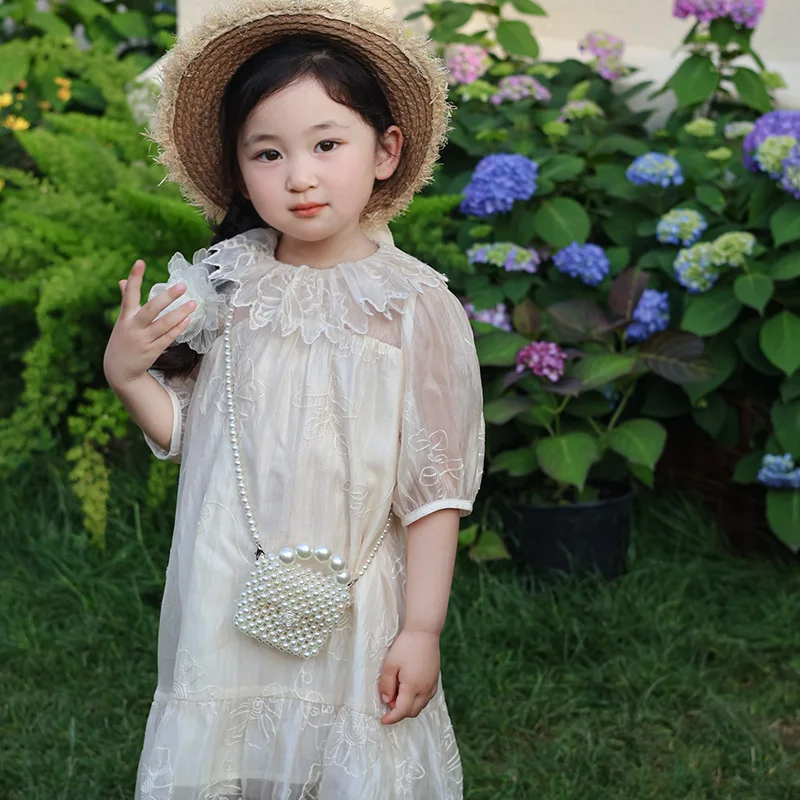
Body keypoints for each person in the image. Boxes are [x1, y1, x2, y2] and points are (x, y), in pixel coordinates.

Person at [103, 1, 485, 797]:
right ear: (239, 168)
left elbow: (435, 485)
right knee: (229, 751)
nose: (300, 176)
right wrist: (130, 374)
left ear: (385, 151)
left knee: (346, 746)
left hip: (354, 589)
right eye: (268, 153)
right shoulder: (225, 285)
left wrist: (422, 627)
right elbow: (197, 436)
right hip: (226, 580)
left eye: (326, 144)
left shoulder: (411, 304)